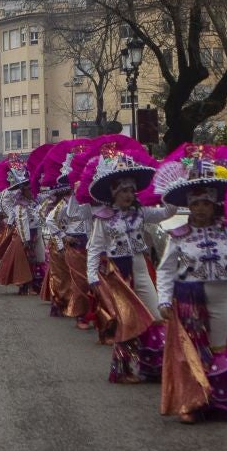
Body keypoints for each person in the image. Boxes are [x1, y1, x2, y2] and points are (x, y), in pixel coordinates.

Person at [150, 145, 227, 424]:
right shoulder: (178, 235)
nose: (201, 209)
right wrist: (164, 300)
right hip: (188, 297)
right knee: (192, 350)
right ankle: (192, 401)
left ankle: (219, 400)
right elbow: (166, 269)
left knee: (219, 347)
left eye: (206, 203)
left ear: (214, 203)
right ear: (189, 206)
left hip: (221, 295)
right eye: (195, 204)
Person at [79, 137, 167, 384]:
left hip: (140, 265)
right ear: (114, 193)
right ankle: (123, 369)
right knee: (128, 322)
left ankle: (151, 364)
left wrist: (173, 195)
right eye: (124, 191)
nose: (129, 195)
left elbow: (165, 214)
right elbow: (94, 248)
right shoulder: (103, 218)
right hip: (118, 272)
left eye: (131, 190)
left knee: (156, 312)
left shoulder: (141, 212)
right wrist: (93, 277)